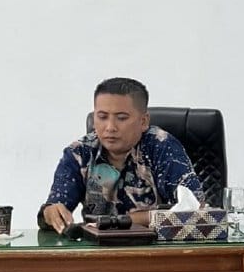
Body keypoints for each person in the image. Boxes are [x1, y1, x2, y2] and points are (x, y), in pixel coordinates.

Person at [38, 77, 204, 233]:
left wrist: (123, 220)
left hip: (155, 247)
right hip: (98, 248)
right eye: (102, 117)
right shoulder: (79, 153)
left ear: (143, 121)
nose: (110, 127)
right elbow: (55, 209)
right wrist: (50, 213)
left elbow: (195, 210)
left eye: (121, 118)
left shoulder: (161, 147)